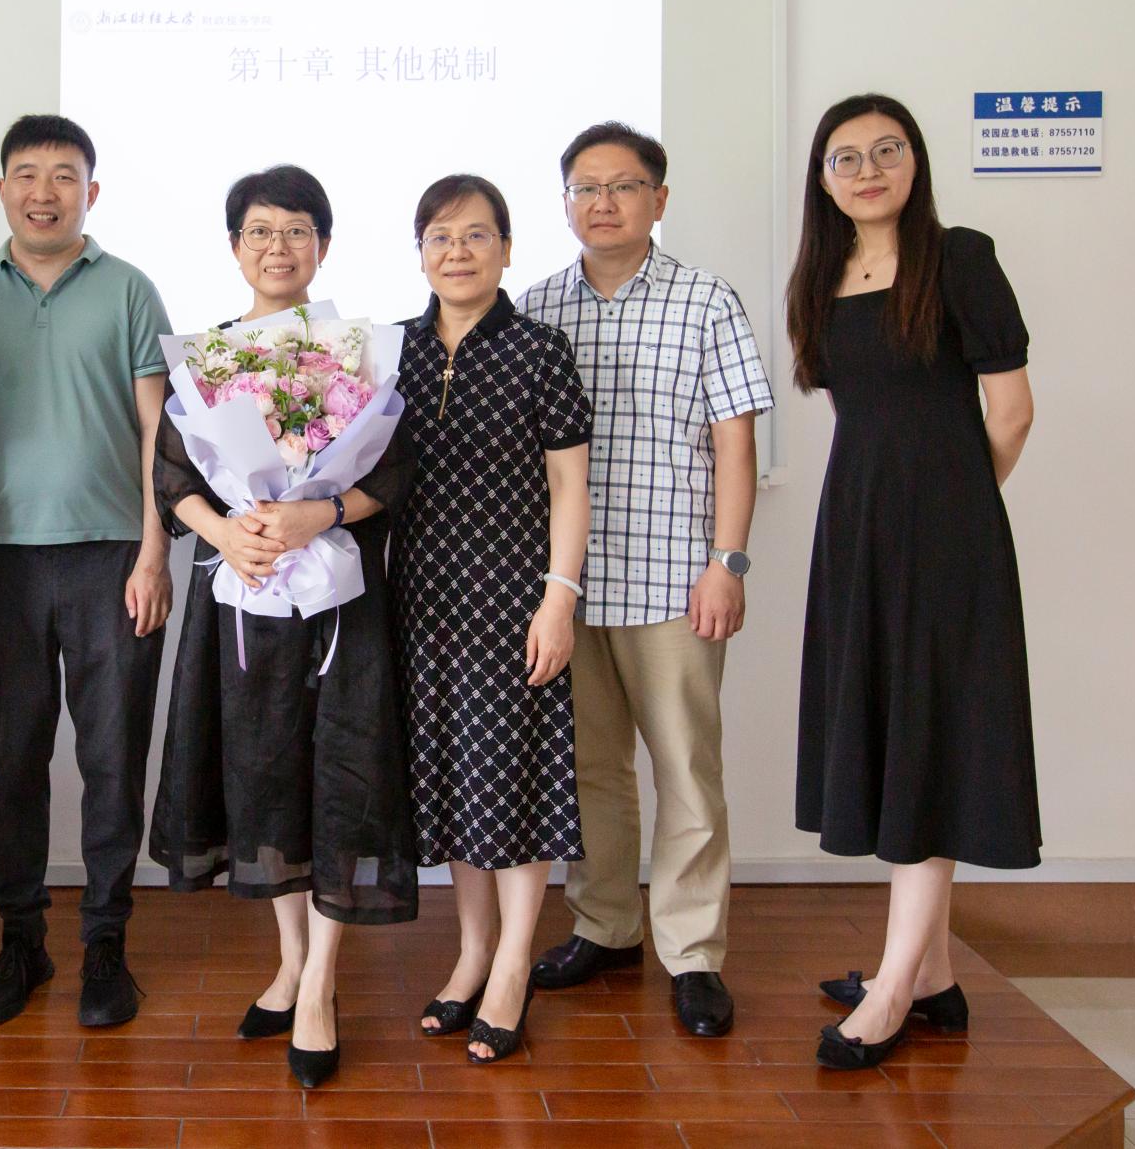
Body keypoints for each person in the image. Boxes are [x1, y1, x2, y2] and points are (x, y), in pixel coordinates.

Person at [150, 164, 418, 1089]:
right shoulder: (209, 357)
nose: (279, 247)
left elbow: (393, 473)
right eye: (261, 231)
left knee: (340, 772)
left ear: (323, 246)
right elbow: (174, 476)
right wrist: (228, 530)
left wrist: (320, 512)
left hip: (340, 601)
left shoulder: (357, 352)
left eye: (297, 231)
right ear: (235, 248)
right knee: (264, 771)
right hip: (246, 593)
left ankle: (322, 985)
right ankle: (291, 960)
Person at [786, 93, 1037, 1070]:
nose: (867, 170)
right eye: (844, 157)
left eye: (886, 150)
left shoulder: (959, 258)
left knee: (928, 743)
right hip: (856, 528)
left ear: (915, 161)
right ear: (823, 180)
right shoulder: (822, 275)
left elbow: (1010, 413)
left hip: (943, 539)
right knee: (896, 730)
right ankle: (930, 976)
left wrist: (953, 511)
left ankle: (891, 992)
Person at [517, 123, 774, 1038]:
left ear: (658, 199)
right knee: (591, 769)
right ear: (565, 204)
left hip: (675, 581)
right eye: (585, 188)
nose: (604, 203)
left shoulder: (707, 301)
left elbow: (735, 444)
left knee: (687, 771)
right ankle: (606, 925)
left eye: (623, 185)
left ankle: (693, 953)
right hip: (568, 586)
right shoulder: (537, 305)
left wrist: (728, 562)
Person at [0, 114, 173, 1028]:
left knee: (113, 758)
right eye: (28, 173)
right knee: (13, 761)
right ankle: (22, 940)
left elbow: (159, 431)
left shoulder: (129, 289)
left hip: (113, 556)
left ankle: (106, 941)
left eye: (65, 175)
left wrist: (156, 550)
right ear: (3, 188)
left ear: (92, 190)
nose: (45, 191)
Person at [392, 174, 592, 1065]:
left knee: (512, 779)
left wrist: (559, 597)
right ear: (420, 254)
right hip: (421, 600)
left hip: (513, 600)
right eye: (440, 236)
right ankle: (472, 952)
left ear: (507, 249)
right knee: (450, 779)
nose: (458, 251)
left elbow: (569, 484)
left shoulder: (540, 350)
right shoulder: (393, 351)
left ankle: (512, 964)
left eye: (477, 234)